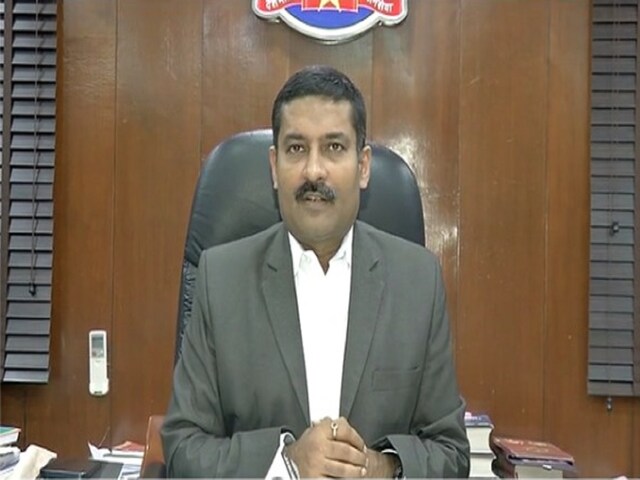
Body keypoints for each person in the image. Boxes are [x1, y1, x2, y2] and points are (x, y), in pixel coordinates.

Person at [161, 65, 470, 478]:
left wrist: (381, 468)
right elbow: (183, 449)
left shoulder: (418, 281)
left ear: (363, 166)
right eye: (296, 148)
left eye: (334, 147)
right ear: (274, 167)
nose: (313, 171)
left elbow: (451, 452)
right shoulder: (221, 280)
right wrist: (286, 463)